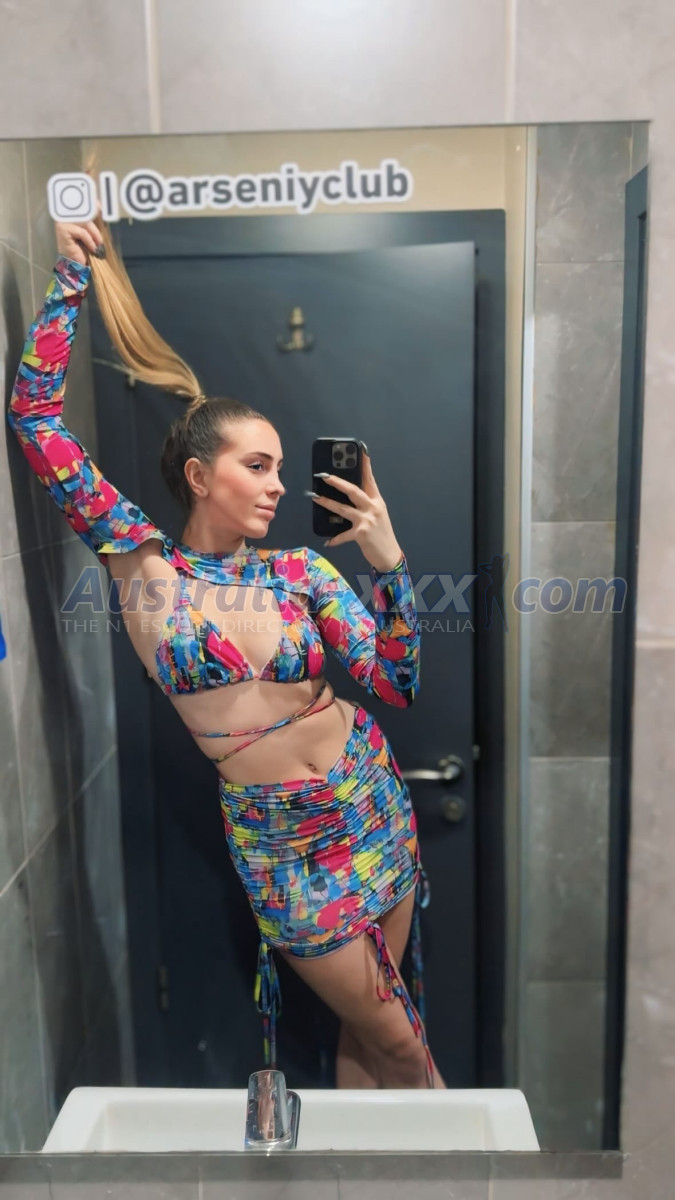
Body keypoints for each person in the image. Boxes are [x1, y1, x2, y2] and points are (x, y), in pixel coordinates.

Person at [7, 204, 445, 1090]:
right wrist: (71, 277)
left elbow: (396, 682)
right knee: (402, 1046)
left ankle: (381, 1164)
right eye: (258, 466)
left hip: (369, 798)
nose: (279, 485)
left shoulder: (298, 571)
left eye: (280, 467)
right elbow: (35, 416)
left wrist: (388, 562)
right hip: (281, 840)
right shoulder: (143, 565)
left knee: (374, 1033)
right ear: (199, 475)